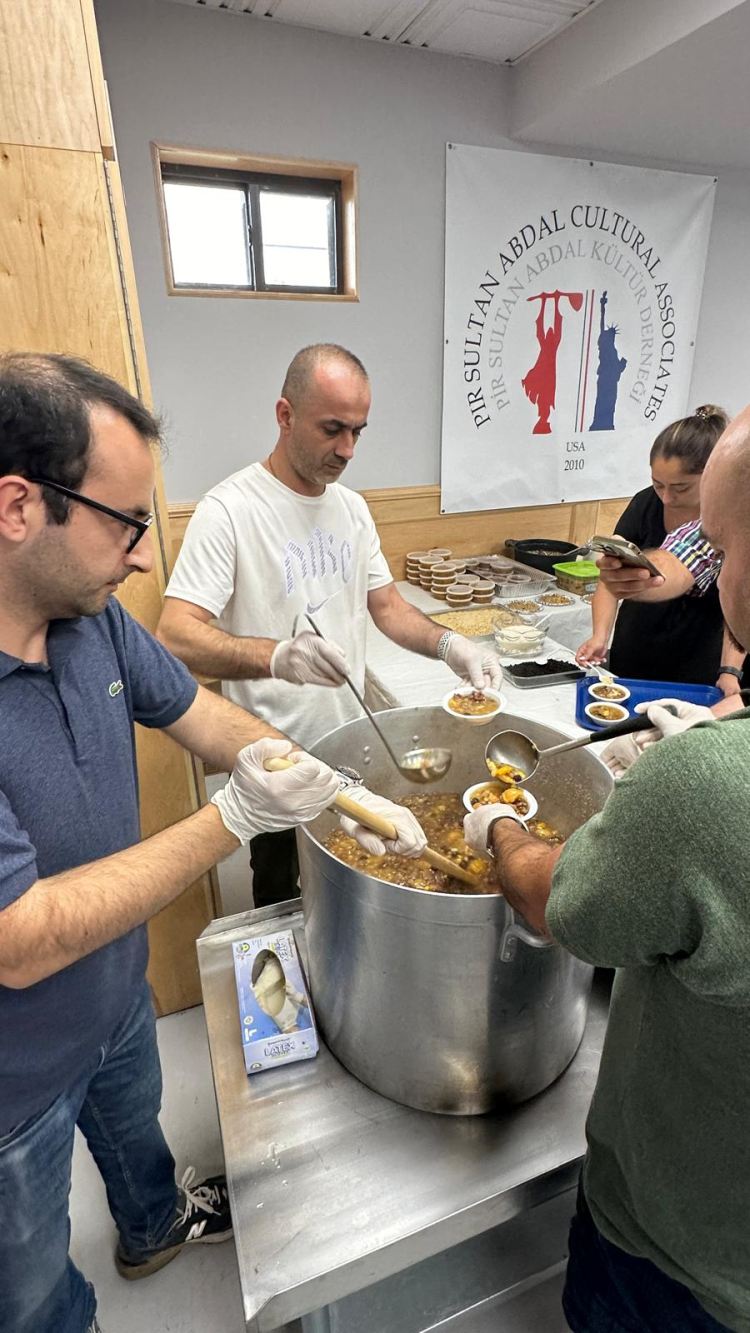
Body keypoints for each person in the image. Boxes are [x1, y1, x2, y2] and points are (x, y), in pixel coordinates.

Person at [0, 353, 423, 1333]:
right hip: (16, 1075)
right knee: (31, 1291)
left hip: (117, 996)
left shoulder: (93, 620)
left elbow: (201, 716)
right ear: (19, 506)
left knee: (139, 1141)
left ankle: (155, 1226)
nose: (145, 558)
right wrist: (234, 817)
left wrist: (341, 790)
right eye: (125, 523)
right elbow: (19, 938)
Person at [463, 403, 750, 1333]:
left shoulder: (702, 788)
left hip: (678, 1258)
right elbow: (661, 573)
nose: (708, 568)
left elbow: (557, 905)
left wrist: (501, 828)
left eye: (721, 547)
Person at [157, 343, 501, 907]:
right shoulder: (230, 511)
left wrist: (450, 644)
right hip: (274, 757)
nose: (347, 449)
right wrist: (276, 656)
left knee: (357, 883)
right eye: (332, 429)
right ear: (285, 414)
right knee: (281, 890)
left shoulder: (351, 508)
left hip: (351, 746)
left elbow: (388, 608)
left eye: (357, 432)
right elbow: (175, 634)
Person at [576, 405, 745, 694]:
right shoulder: (646, 503)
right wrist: (600, 635)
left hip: (697, 663)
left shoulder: (729, 516)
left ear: (713, 475)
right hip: (634, 650)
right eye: (658, 485)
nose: (667, 498)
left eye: (681, 488)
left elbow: (732, 595)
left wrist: (730, 671)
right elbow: (614, 577)